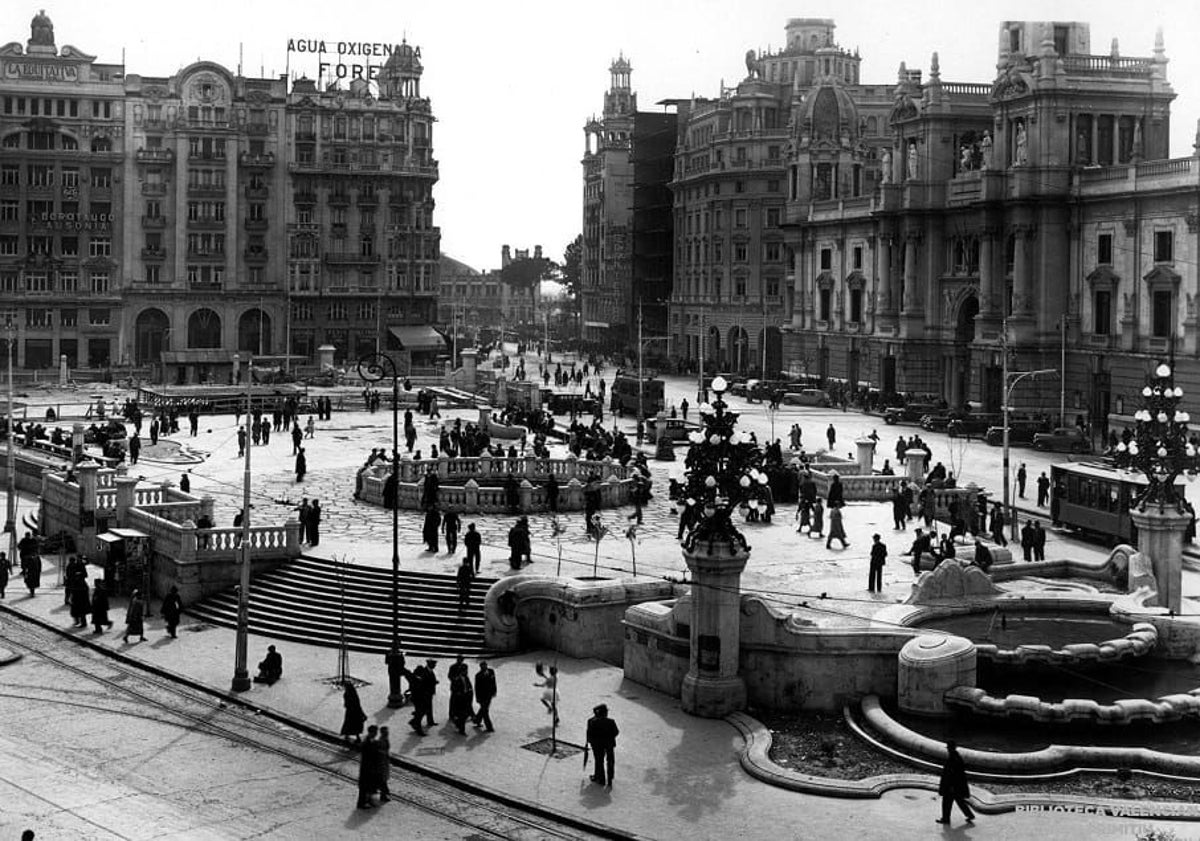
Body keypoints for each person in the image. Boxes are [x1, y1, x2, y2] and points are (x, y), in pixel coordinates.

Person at [936, 741, 976, 825]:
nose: (948, 750)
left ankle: (946, 818)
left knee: (947, 802)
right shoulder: (956, 757)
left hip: (952, 786)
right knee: (959, 801)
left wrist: (950, 786)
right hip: (955, 786)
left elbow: (953, 774)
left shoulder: (953, 759)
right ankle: (969, 815)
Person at [585, 703, 620, 787]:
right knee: (610, 761)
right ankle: (610, 779)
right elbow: (616, 732)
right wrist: (610, 737)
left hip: (597, 745)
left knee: (599, 761)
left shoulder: (592, 721)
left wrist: (592, 742)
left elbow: (589, 734)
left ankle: (600, 779)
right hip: (609, 744)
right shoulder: (611, 721)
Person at [356, 725, 380, 809]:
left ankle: (368, 800)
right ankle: (361, 803)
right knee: (364, 786)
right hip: (367, 768)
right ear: (371, 732)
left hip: (371, 767)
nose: (376, 734)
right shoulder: (366, 742)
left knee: (370, 785)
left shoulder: (372, 741)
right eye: (374, 732)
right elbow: (367, 756)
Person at [473, 660, 497, 732]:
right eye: (482, 666)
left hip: (489, 695)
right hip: (482, 696)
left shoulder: (491, 671)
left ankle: (477, 720)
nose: (484, 667)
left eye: (485, 665)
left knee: (483, 709)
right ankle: (489, 727)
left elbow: (493, 682)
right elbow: (476, 687)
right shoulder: (478, 675)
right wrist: (477, 698)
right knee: (485, 711)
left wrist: (494, 691)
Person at [341, 681, 367, 745]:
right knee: (356, 725)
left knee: (349, 724)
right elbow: (358, 704)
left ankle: (347, 735)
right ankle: (357, 737)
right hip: (356, 712)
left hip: (350, 712)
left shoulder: (346, 694)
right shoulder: (354, 693)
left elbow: (346, 704)